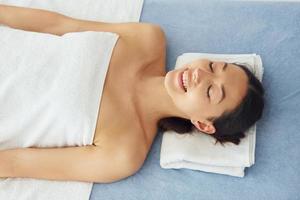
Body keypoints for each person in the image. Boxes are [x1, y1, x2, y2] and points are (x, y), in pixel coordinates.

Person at [0, 4, 264, 183]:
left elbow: (17, 163)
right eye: (214, 66)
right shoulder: (149, 39)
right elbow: (57, 25)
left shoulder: (124, 153)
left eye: (210, 91)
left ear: (203, 124)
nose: (200, 74)